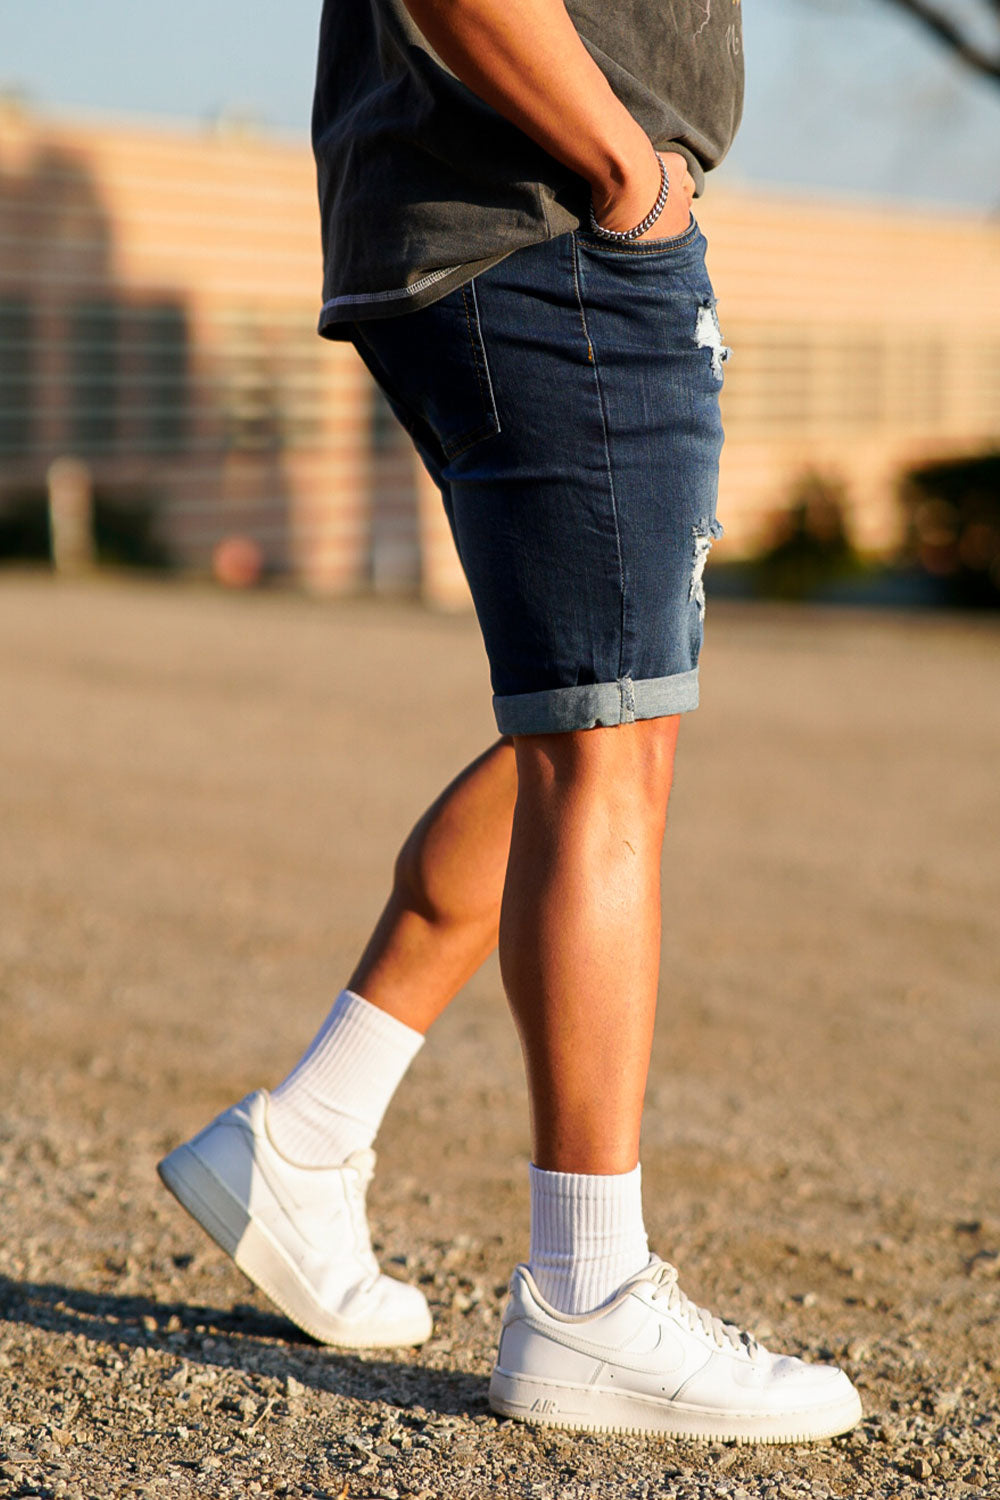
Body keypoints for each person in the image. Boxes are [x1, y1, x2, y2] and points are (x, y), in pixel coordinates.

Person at [158, 0, 864, 1443]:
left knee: (604, 725)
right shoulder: (582, 188)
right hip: (549, 219)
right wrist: (626, 169)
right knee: (603, 745)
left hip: (517, 211)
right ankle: (588, 1298)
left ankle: (309, 1135)